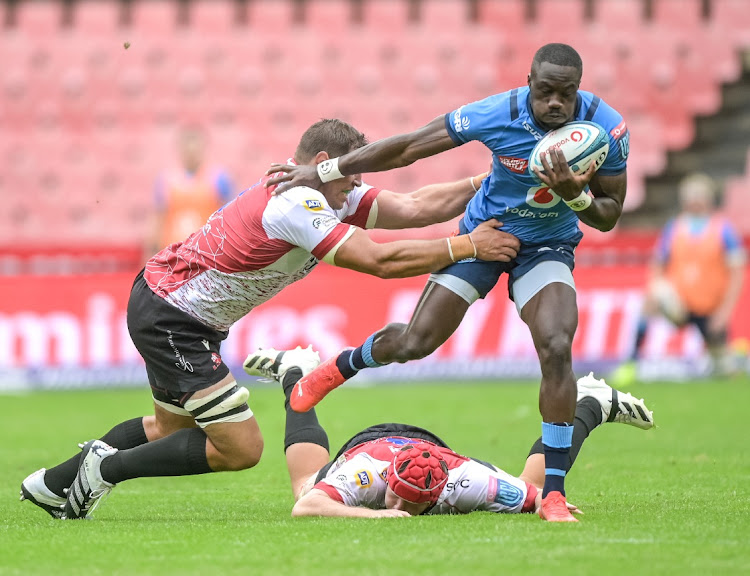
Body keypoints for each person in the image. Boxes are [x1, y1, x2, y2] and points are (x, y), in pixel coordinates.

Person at [19, 119, 519, 520]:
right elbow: (378, 262)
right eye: (354, 175)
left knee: (167, 429)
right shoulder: (298, 201)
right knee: (241, 448)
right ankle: (106, 470)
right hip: (173, 317)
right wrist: (470, 245)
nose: (358, 189)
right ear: (324, 164)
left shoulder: (327, 192)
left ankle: (50, 484)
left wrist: (489, 181)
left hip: (170, 305)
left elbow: (412, 206)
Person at [264, 43, 631, 521]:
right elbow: (411, 146)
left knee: (557, 345)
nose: (555, 104)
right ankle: (338, 367)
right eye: (545, 92)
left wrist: (575, 197)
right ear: (528, 83)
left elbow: (609, 214)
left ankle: (555, 494)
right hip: (486, 234)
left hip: (548, 245)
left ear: (578, 90)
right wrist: (325, 170)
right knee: (415, 342)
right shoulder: (498, 113)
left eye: (565, 94)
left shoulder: (608, 129)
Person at [243, 347, 654, 520]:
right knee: (305, 487)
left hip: (433, 449)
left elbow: (541, 496)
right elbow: (308, 508)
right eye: (397, 499)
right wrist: (374, 514)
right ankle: (295, 370)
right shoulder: (364, 474)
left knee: (530, 486)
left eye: (408, 505)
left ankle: (589, 404)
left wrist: (549, 502)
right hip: (372, 446)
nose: (399, 507)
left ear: (438, 496)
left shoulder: (466, 482)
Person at [612, 173, 746, 385]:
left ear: (708, 199)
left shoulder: (723, 230)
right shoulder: (674, 228)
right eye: (690, 196)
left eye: (699, 196)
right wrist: (654, 290)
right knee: (650, 300)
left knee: (723, 369)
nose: (694, 201)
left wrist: (724, 312)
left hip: (709, 308)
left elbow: (737, 273)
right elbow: (658, 264)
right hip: (679, 303)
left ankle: (733, 360)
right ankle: (631, 362)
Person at [145, 125, 234, 259]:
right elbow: (158, 218)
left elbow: (229, 218)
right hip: (173, 253)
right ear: (180, 149)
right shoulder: (166, 179)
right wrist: (150, 253)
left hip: (208, 254)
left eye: (195, 148)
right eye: (187, 148)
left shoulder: (219, 178)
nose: (191, 152)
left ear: (203, 148)